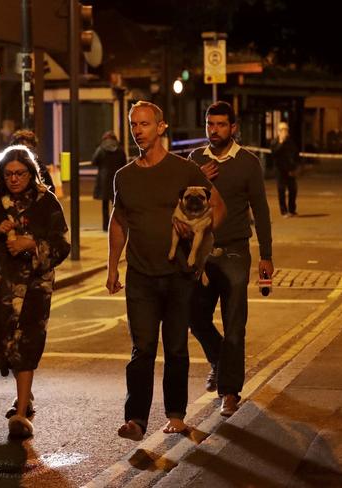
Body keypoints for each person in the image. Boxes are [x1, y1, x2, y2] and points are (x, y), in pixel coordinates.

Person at [107, 101, 226, 441]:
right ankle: (136, 420)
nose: (138, 131)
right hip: (141, 276)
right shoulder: (124, 176)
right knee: (141, 350)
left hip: (178, 275)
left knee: (175, 348)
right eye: (133, 125)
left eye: (144, 124)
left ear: (160, 127)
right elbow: (119, 222)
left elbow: (217, 206)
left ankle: (175, 415)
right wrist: (112, 266)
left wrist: (201, 228)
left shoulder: (183, 169)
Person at [0, 145, 70, 438]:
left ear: (30, 172)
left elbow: (62, 245)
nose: (13, 178)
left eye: (20, 173)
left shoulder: (45, 202)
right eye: (8, 173)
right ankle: (25, 392)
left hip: (36, 288)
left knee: (27, 346)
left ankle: (21, 413)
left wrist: (31, 244)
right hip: (0, 288)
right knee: (7, 346)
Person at [187, 101, 273, 417]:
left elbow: (261, 210)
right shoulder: (195, 159)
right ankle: (221, 360)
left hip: (236, 250)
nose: (215, 130)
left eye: (221, 125)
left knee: (235, 323)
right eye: (210, 124)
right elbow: (177, 198)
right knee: (194, 317)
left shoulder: (248, 163)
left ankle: (230, 391)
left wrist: (266, 255)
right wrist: (195, 176)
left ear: (233, 127)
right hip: (202, 252)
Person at [92, 131, 127, 231]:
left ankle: (105, 227)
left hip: (104, 180)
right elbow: (124, 163)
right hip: (116, 179)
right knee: (116, 204)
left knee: (105, 205)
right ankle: (116, 225)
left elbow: (94, 161)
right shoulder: (120, 149)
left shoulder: (101, 149)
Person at [10, 129, 56, 195]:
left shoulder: (40, 167)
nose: (27, 152)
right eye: (23, 148)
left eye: (30, 148)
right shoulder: (6, 165)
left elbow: (51, 190)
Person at [270, 121, 299, 217]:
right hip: (280, 170)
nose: (284, 131)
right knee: (281, 190)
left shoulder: (290, 142)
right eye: (282, 130)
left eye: (286, 129)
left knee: (293, 190)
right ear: (278, 131)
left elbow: (295, 154)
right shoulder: (274, 142)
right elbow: (274, 154)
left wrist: (294, 167)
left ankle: (292, 210)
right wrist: (281, 142)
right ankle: (283, 211)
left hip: (290, 169)